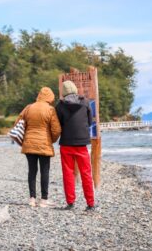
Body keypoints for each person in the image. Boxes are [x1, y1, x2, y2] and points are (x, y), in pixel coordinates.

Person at [15, 87, 61, 208]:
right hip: (44, 144)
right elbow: (56, 129)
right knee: (44, 171)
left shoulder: (28, 107)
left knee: (32, 171)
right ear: (50, 97)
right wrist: (52, 140)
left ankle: (32, 199)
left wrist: (25, 139)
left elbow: (17, 124)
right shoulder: (51, 109)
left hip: (29, 144)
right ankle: (44, 200)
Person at [55, 80, 96, 212]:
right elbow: (90, 121)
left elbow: (58, 125)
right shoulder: (85, 102)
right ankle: (90, 203)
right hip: (82, 142)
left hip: (66, 143)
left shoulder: (60, 106)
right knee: (86, 173)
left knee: (68, 173)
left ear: (64, 92)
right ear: (75, 90)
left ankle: (70, 202)